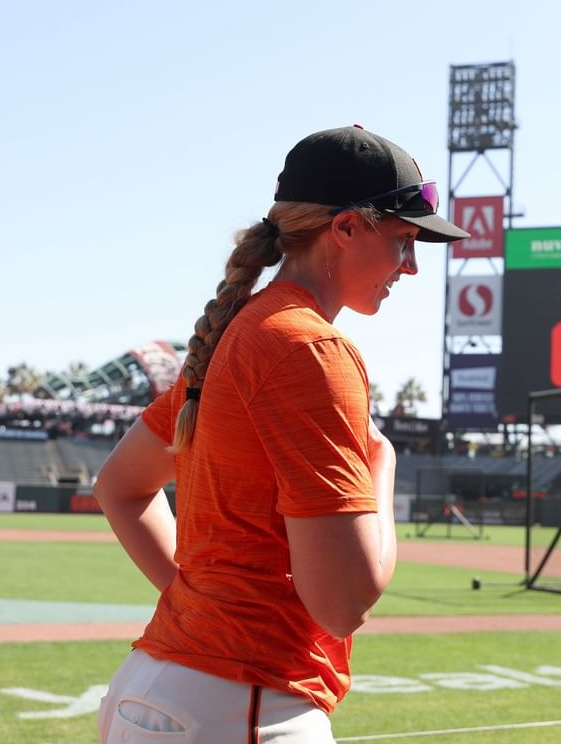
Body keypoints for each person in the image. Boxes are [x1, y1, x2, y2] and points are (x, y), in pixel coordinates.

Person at [94, 125, 470, 744]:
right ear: (345, 229)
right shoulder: (310, 345)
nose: (412, 266)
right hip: (242, 704)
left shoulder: (241, 329)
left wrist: (203, 604)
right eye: (403, 240)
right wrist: (383, 464)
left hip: (158, 687)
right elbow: (345, 602)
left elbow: (119, 487)